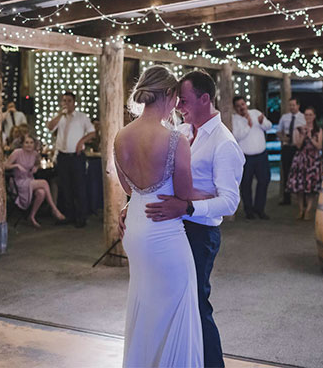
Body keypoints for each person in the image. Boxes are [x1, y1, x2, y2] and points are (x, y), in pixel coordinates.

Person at [140, 69, 243, 368]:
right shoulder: (183, 132)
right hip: (173, 228)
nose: (177, 107)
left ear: (205, 98)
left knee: (197, 305)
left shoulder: (224, 143)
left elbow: (230, 202)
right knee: (172, 302)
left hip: (200, 234)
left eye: (183, 100)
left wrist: (186, 207)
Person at [110, 66, 203, 367]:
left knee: (145, 304)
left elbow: (128, 188)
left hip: (136, 227)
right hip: (164, 231)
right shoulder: (175, 140)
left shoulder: (120, 137)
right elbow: (184, 194)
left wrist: (132, 203)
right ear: (170, 94)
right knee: (178, 304)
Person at [47, 91, 96, 228]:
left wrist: (81, 141)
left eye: (69, 101)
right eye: (64, 101)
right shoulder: (59, 117)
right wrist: (60, 115)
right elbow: (50, 127)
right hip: (62, 156)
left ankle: (81, 217)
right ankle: (68, 215)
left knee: (79, 186)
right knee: (65, 186)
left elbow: (92, 132)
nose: (66, 103)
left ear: (74, 102)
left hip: (76, 157)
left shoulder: (81, 117)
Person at [7, 135, 66, 228]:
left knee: (41, 192)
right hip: (18, 181)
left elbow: (37, 164)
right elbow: (5, 166)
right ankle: (54, 209)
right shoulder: (17, 153)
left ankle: (32, 216)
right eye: (26, 143)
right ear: (22, 144)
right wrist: (16, 166)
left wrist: (36, 167)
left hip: (29, 179)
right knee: (44, 183)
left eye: (31, 143)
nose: (29, 145)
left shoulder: (35, 154)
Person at [231, 95, 273, 219]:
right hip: (245, 157)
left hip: (261, 155)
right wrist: (248, 126)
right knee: (246, 184)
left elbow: (269, 126)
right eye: (238, 106)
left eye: (242, 104)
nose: (241, 108)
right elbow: (236, 136)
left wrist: (262, 122)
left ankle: (259, 209)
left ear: (246, 104)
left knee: (264, 181)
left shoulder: (255, 113)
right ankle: (248, 210)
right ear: (235, 108)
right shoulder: (234, 119)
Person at [286, 107, 323, 220]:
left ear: (314, 116)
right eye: (306, 115)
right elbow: (297, 145)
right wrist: (303, 135)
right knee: (300, 186)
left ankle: (308, 210)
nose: (308, 117)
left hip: (313, 159)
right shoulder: (298, 129)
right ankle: (301, 209)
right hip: (301, 159)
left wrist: (310, 137)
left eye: (310, 115)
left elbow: (319, 146)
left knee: (311, 186)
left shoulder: (318, 130)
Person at [277, 98, 305, 206]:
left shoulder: (303, 118)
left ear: (298, 106)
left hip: (298, 147)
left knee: (300, 172)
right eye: (290, 105)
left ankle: (301, 198)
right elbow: (279, 131)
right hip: (287, 147)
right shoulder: (285, 117)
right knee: (286, 172)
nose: (292, 107)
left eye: (293, 105)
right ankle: (286, 198)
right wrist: (283, 138)